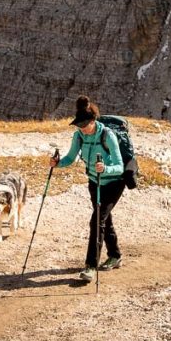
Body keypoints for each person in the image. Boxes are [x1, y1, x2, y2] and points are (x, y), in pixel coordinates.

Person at [50, 94, 125, 283]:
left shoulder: (108, 135)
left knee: (96, 221)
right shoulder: (79, 136)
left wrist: (105, 168)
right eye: (79, 125)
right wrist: (57, 164)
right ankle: (115, 255)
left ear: (94, 120)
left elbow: (120, 166)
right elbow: (70, 157)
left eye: (85, 124)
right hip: (94, 182)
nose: (82, 128)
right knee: (103, 220)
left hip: (114, 183)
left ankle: (90, 266)